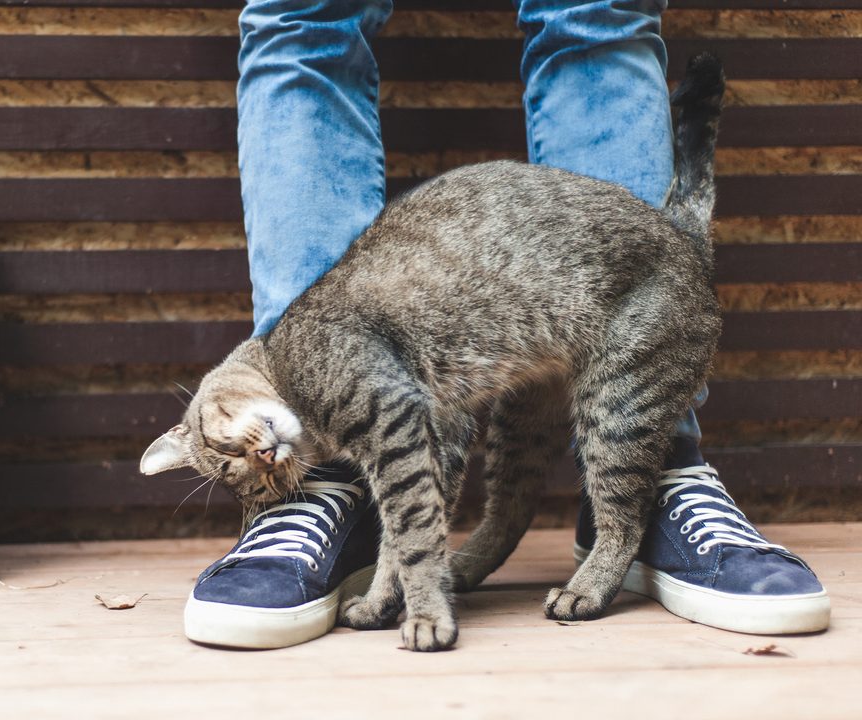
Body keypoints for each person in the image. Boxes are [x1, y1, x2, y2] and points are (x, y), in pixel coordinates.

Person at [181, 0, 829, 649]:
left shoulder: (309, 352)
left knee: (594, 9)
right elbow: (423, 438)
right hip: (516, 321)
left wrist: (423, 585)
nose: (258, 456)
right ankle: (332, 501)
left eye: (237, 455)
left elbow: (403, 437)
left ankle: (647, 494)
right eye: (254, 473)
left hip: (625, 293)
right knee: (304, 12)